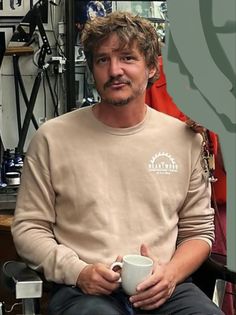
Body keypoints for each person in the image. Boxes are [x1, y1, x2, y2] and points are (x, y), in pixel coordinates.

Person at [11, 12, 224, 315]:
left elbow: (199, 232)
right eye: (102, 60)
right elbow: (29, 229)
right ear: (92, 69)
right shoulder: (52, 139)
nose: (114, 71)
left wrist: (172, 274)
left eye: (127, 58)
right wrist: (78, 271)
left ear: (152, 67)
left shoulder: (184, 139)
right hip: (83, 291)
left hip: (164, 289)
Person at [146, 54, 234, 315]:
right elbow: (133, 142)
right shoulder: (151, 72)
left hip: (218, 206)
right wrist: (177, 136)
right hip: (164, 211)